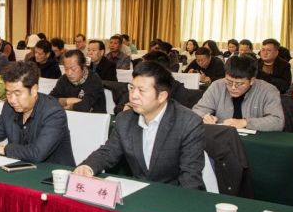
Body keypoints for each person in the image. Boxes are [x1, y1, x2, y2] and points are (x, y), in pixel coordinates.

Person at [73, 62, 206, 189]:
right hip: (139, 191)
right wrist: (88, 167)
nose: (133, 96)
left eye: (141, 90)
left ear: (161, 96)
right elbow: (109, 152)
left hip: (174, 194)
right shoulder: (125, 119)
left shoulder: (188, 123)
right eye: (132, 88)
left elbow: (190, 179)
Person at [0, 60, 74, 166]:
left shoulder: (53, 112)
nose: (12, 100)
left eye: (17, 93)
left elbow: (37, 153)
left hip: (54, 173)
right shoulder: (9, 108)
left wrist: (4, 149)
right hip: (21, 168)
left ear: (34, 90)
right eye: (8, 93)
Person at [192, 55, 284, 131]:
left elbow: (277, 122)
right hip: (223, 139)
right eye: (229, 82)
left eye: (239, 84)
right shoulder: (217, 86)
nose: (233, 87)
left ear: (252, 80)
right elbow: (197, 110)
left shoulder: (268, 90)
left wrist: (245, 122)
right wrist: (204, 116)